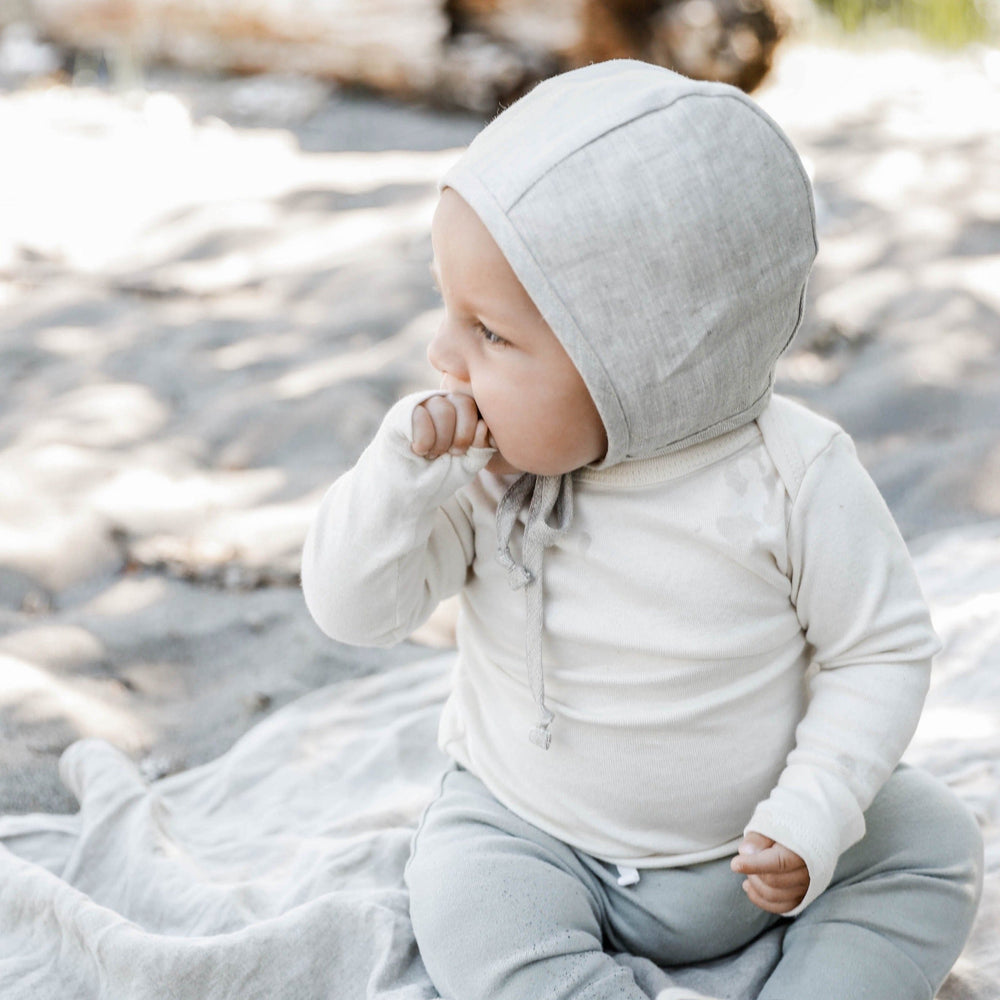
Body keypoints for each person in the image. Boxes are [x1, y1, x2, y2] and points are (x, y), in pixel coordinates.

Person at [301, 60, 983, 1000]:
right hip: (541, 838)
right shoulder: (473, 470)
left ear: (640, 360)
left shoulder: (793, 475)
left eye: (490, 334)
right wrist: (395, 480)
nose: (443, 354)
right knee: (461, 893)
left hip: (765, 852)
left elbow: (882, 652)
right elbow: (353, 612)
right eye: (447, 311)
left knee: (933, 845)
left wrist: (815, 813)